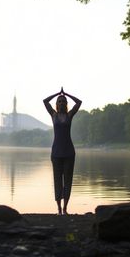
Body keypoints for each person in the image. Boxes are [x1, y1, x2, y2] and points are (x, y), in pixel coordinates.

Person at [43, 87, 82, 215]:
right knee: (57, 180)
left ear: (66, 104)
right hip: (56, 153)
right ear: (56, 104)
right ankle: (59, 209)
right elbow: (45, 101)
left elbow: (79, 102)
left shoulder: (69, 115)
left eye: (63, 101)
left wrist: (66, 94)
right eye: (59, 101)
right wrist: (57, 93)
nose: (61, 103)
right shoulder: (53, 115)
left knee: (68, 180)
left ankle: (65, 208)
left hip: (69, 153)